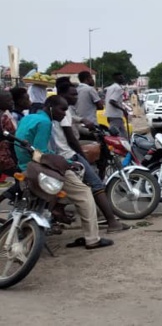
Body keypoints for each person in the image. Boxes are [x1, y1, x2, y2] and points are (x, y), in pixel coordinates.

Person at [16, 96, 113, 249]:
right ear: (49, 107)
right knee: (84, 193)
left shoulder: (29, 118)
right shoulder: (45, 123)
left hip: (24, 167)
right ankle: (92, 239)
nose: (64, 113)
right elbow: (41, 152)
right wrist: (68, 163)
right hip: (42, 167)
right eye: (62, 109)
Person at [55, 82, 129, 233]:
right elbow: (71, 138)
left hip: (64, 152)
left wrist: (83, 122)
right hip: (68, 153)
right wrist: (82, 156)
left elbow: (73, 123)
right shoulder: (62, 111)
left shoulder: (64, 110)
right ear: (62, 95)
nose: (76, 97)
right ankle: (112, 223)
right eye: (72, 94)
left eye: (76, 94)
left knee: (73, 186)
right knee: (96, 184)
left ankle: (59, 212)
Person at [104, 73, 129, 138]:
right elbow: (112, 101)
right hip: (115, 116)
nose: (123, 78)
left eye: (123, 77)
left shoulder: (110, 87)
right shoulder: (118, 88)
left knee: (123, 136)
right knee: (115, 136)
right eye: (121, 77)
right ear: (116, 79)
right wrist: (123, 110)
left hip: (111, 115)